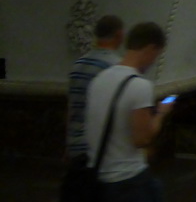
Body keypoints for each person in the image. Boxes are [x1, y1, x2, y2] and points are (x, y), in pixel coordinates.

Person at [84, 22, 172, 202]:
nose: (154, 61)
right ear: (150, 48)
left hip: (99, 175)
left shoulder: (98, 80)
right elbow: (142, 139)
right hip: (128, 179)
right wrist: (161, 113)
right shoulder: (139, 85)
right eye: (157, 54)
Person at [64, 14, 124, 182]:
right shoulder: (116, 68)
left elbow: (72, 107)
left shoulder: (77, 65)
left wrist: (68, 145)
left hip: (76, 146)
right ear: (119, 35)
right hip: (100, 150)